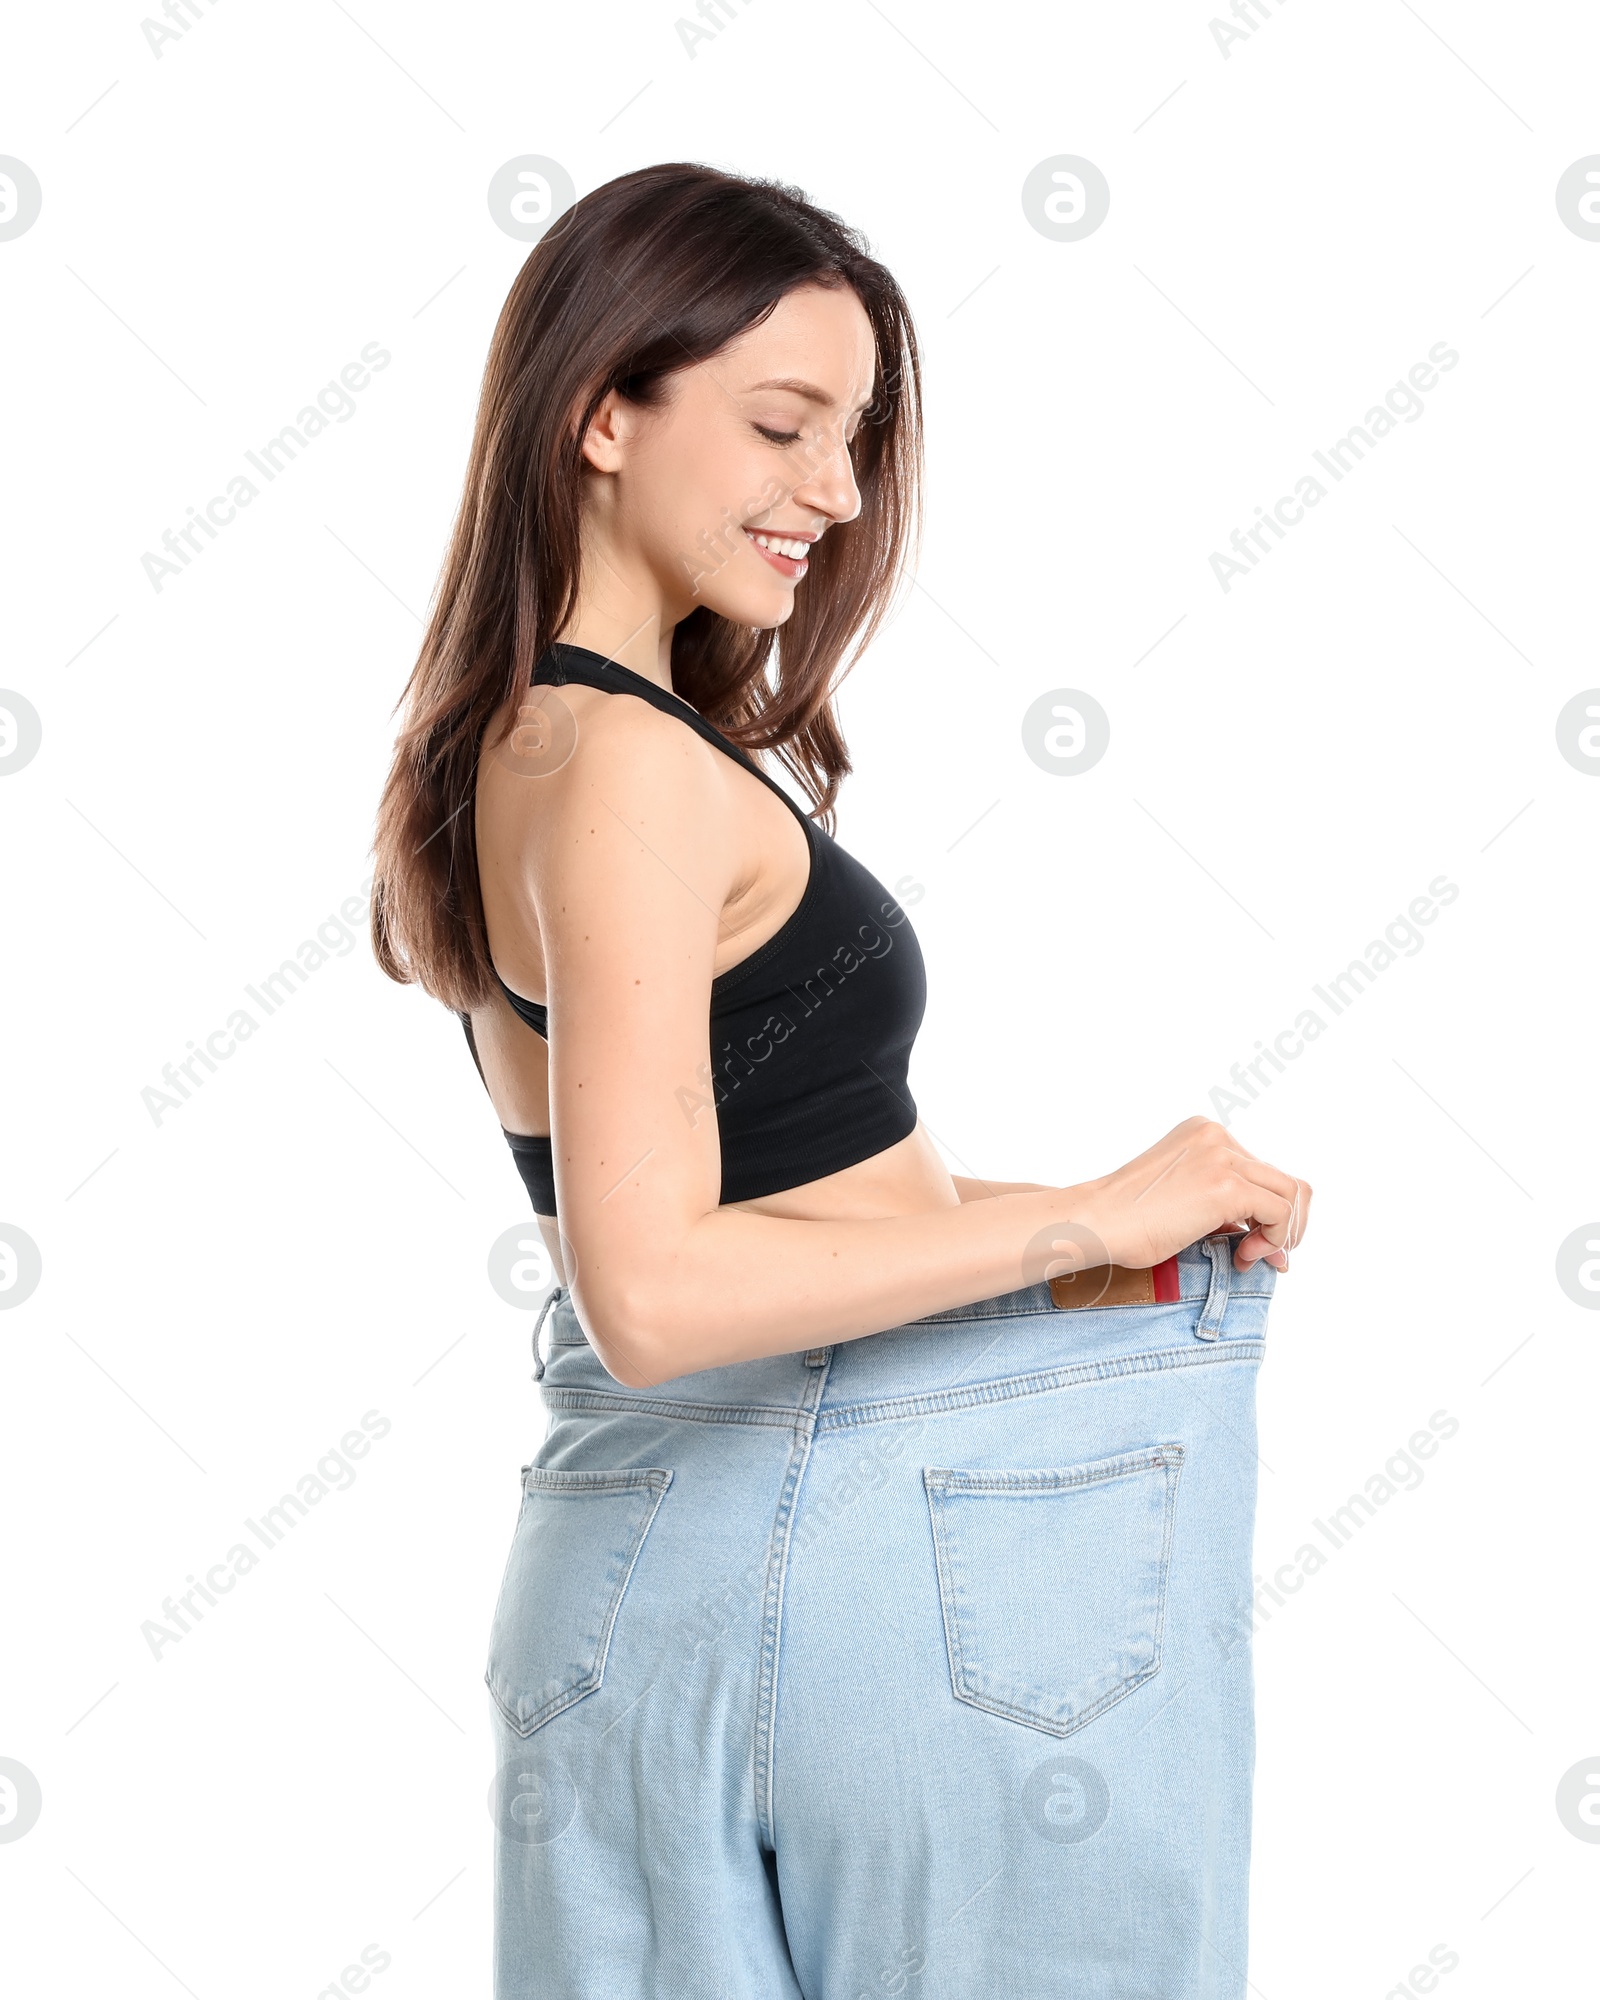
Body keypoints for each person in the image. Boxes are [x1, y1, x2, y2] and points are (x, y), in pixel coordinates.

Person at [370, 162, 1309, 2000]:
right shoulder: (625, 764)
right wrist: (1082, 1221)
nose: (840, 491)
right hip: (834, 1530)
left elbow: (749, 1206)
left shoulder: (528, 743)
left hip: (636, 1563)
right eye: (783, 426)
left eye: (857, 436)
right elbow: (652, 1291)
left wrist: (1098, 1221)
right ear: (600, 414)